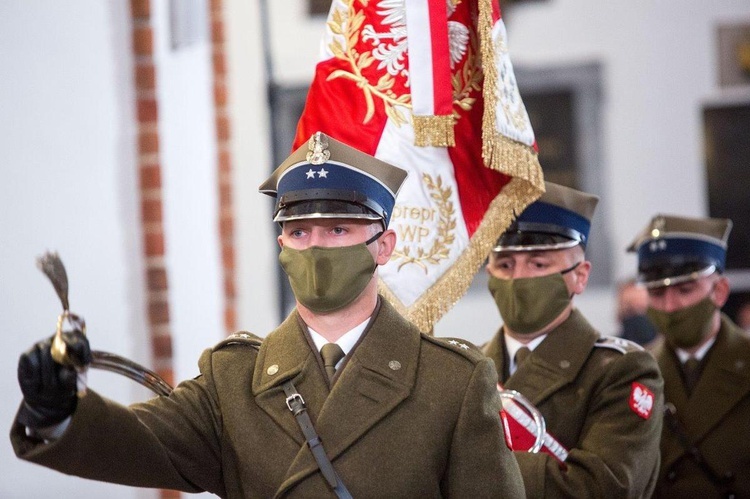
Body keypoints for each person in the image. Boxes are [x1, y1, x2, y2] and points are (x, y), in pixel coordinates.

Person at [11, 131, 524, 498]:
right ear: (281, 242)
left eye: (338, 231)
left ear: (383, 245)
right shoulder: (233, 378)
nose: (315, 247)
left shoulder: (451, 383)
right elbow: (138, 443)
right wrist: (55, 409)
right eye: (300, 233)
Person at [482, 182, 664, 498]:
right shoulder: (469, 367)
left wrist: (475, 468)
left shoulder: (621, 370)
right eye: (505, 264)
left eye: (539, 264)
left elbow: (604, 488)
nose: (519, 278)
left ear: (580, 275)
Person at [628, 214, 750, 497]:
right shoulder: (634, 370)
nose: (670, 306)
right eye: (657, 293)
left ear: (719, 292)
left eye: (685, 290)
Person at [616, 278, 658, 347]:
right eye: (630, 310)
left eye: (642, 309)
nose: (638, 317)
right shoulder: (611, 353)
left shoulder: (671, 351)